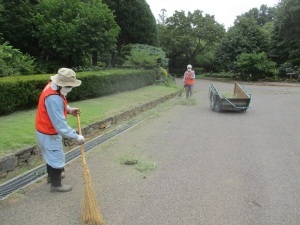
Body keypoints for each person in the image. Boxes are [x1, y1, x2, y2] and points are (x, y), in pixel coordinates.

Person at [35, 68, 85, 192]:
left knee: (50, 155)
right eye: (69, 85)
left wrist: (68, 109)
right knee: (56, 157)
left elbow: (61, 102)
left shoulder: (53, 87)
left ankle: (52, 177)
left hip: (43, 129)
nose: (70, 88)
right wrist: (76, 136)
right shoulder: (53, 98)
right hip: (48, 132)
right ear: (62, 84)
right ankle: (56, 185)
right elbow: (60, 125)